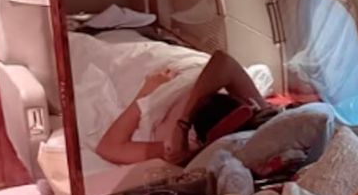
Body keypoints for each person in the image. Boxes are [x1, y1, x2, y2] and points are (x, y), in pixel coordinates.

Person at [95, 48, 275, 166]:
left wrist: (145, 93)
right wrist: (183, 122)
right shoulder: (248, 111)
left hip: (168, 82)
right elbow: (223, 61)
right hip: (179, 70)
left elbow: (109, 147)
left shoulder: (183, 147)